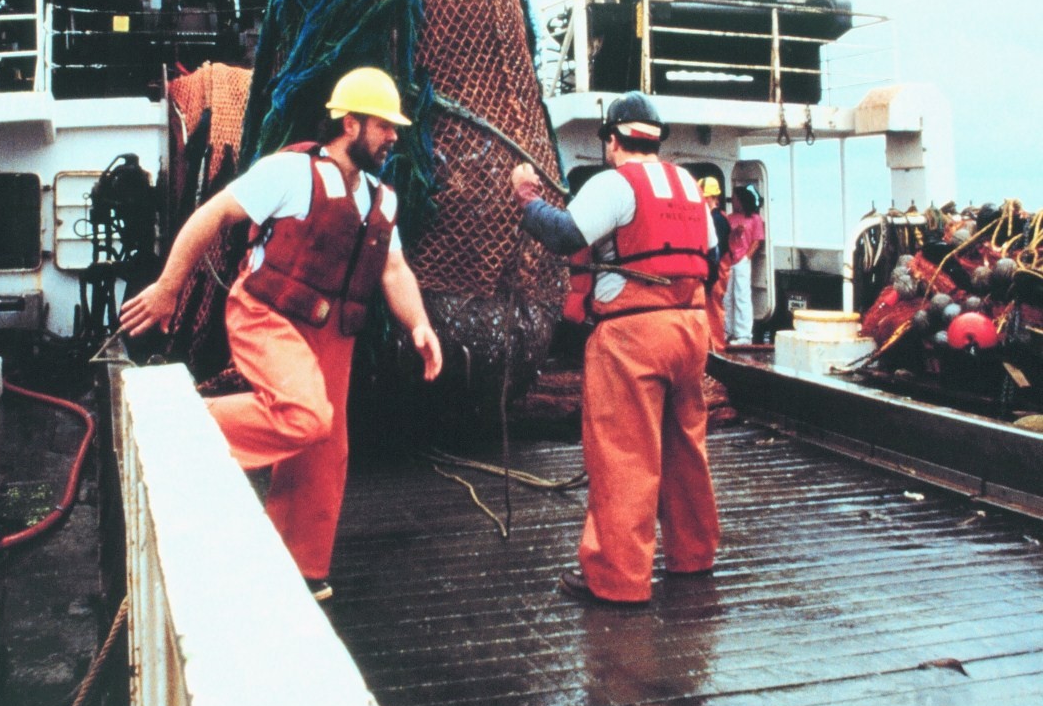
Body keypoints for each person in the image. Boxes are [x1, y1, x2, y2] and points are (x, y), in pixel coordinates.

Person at [119, 67, 443, 600]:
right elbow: (212, 216)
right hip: (270, 314)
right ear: (350, 123)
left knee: (325, 450)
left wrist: (419, 324)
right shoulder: (290, 173)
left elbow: (393, 270)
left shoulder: (382, 200)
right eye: (384, 125)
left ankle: (299, 569)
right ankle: (182, 425)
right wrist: (168, 288)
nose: (393, 137)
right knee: (305, 414)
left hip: (334, 331)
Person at [510, 92, 720, 606]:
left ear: (611, 140)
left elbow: (565, 234)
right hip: (691, 329)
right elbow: (711, 261)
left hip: (632, 334)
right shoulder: (688, 186)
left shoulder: (614, 182)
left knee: (624, 454)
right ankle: (693, 556)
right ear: (656, 140)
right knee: (685, 447)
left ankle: (617, 577)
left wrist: (527, 200)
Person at [724, 181, 765, 346]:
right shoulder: (729, 218)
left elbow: (757, 240)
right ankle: (727, 331)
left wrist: (746, 258)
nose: (733, 201)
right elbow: (725, 238)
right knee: (727, 297)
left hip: (741, 260)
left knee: (742, 296)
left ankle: (744, 334)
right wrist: (734, 232)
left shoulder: (755, 219)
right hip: (730, 259)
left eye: (735, 198)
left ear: (741, 200)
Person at [701, 176, 731, 354]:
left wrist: (710, 276)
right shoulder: (717, 217)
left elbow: (716, 251)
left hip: (717, 271)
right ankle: (710, 348)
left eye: (704, 197)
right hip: (716, 269)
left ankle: (717, 349)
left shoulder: (717, 220)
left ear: (712, 197)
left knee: (714, 310)